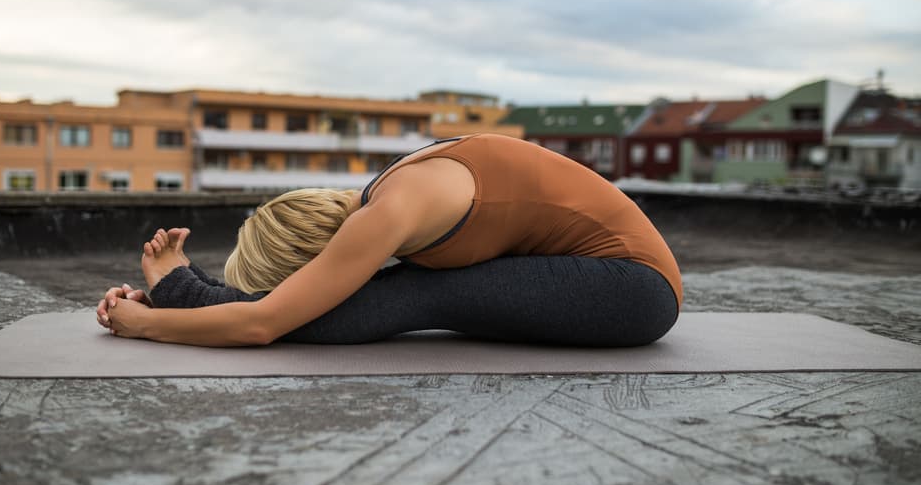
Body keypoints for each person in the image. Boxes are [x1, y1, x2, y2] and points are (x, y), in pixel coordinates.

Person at [96, 134, 681, 347]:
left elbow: (264, 323)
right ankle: (191, 292)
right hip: (606, 282)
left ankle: (185, 293)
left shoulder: (386, 214)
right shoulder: (392, 189)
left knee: (412, 299)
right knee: (414, 294)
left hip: (633, 291)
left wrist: (148, 322)